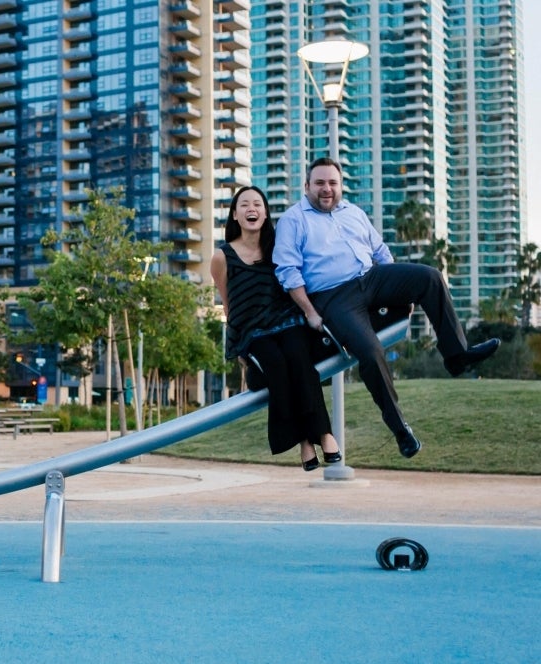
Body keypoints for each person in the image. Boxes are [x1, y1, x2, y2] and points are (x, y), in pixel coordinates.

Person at [273, 157, 500, 458]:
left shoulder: (353, 212)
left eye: (332, 183)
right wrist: (310, 312)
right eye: (320, 183)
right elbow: (288, 272)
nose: (326, 189)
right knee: (370, 351)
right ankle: (400, 429)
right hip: (333, 295)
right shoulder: (293, 219)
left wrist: (397, 293)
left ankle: (456, 356)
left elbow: (380, 251)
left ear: (340, 186)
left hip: (372, 278)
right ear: (307, 186)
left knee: (429, 277)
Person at [211, 186, 341, 471]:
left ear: (265, 212)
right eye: (244, 204)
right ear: (235, 214)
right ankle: (305, 442)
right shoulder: (222, 257)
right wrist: (238, 350)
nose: (251, 209)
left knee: (298, 357)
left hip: (286, 321)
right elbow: (228, 305)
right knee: (276, 364)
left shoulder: (277, 246)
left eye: (257, 203)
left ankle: (322, 434)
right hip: (253, 333)